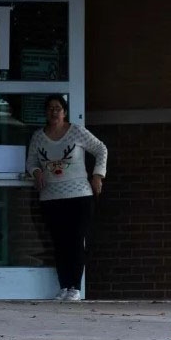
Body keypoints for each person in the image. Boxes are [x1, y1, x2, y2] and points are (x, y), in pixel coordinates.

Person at [26, 95, 108, 302]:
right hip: (51, 197)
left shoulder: (77, 132)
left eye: (58, 108)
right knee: (59, 243)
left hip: (78, 196)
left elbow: (101, 149)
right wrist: (36, 172)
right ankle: (64, 286)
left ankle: (75, 288)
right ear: (46, 112)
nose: (54, 112)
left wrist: (98, 175)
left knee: (75, 241)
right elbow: (31, 161)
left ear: (65, 112)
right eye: (50, 109)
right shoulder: (38, 137)